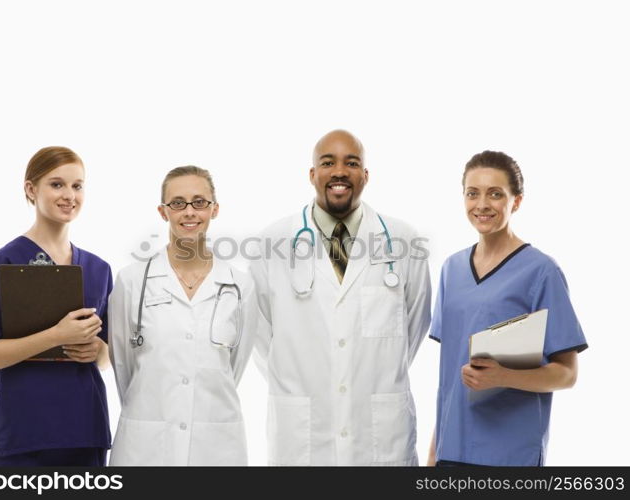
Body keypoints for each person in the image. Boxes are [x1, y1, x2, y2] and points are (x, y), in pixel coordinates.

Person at [249, 130, 431, 465]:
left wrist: (370, 368)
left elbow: (415, 327)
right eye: (327, 162)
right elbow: (260, 337)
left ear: (365, 175)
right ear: (312, 174)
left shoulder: (404, 241)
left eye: (352, 163)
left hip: (380, 439)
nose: (339, 172)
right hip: (302, 437)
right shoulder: (271, 243)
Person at [427, 150, 587, 466]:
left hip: (510, 456)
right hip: (451, 452)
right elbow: (448, 378)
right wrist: (433, 454)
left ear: (516, 201)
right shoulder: (451, 269)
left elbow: (567, 374)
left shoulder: (541, 272)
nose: (482, 204)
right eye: (473, 193)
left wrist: (502, 376)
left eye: (495, 194)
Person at [0, 146, 112, 466]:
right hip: (25, 436)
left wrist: (97, 350)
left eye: (77, 185)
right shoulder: (5, 262)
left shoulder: (99, 269)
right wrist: (56, 335)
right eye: (57, 184)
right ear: (31, 189)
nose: (69, 194)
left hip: (86, 432)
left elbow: (108, 355)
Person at [108, 166, 257, 466]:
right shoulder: (132, 280)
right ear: (163, 212)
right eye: (178, 203)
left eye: (199, 202)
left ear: (215, 209)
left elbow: (233, 367)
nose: (189, 212)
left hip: (215, 446)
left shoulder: (239, 285)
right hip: (145, 446)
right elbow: (122, 364)